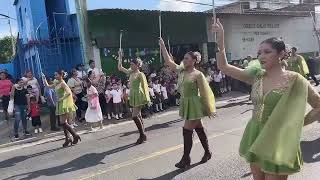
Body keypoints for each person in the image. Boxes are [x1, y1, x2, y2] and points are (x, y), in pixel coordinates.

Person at [213, 18, 320, 180]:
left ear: (282, 54)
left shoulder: (295, 80)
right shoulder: (256, 76)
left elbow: (318, 106)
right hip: (255, 135)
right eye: (259, 52)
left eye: (267, 52)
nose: (261, 56)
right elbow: (224, 67)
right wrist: (221, 40)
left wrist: (296, 123)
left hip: (278, 140)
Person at [159, 38, 216, 168]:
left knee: (186, 130)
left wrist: (208, 109)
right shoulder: (182, 70)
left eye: (187, 59)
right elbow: (169, 61)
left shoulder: (198, 74)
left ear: (194, 61)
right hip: (186, 103)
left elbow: (205, 92)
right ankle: (207, 152)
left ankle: (186, 159)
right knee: (199, 129)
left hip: (195, 104)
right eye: (184, 58)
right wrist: (163, 46)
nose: (184, 60)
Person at [118, 50, 150, 145]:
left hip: (139, 95)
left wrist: (147, 99)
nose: (131, 66)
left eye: (133, 64)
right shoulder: (130, 72)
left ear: (137, 65)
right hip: (133, 95)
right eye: (131, 64)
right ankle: (143, 135)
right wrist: (120, 56)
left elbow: (145, 86)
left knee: (135, 116)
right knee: (138, 115)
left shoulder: (140, 74)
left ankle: (142, 135)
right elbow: (120, 67)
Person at [42, 70, 81, 147]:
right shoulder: (56, 82)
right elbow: (48, 86)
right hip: (59, 104)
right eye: (55, 75)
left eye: (56, 75)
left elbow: (69, 93)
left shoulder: (63, 83)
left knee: (63, 122)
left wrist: (61, 99)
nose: (55, 76)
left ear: (61, 75)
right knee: (63, 123)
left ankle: (75, 135)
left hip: (63, 104)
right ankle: (68, 138)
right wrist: (44, 79)